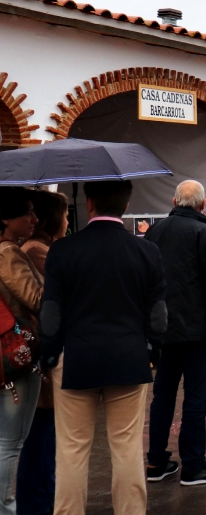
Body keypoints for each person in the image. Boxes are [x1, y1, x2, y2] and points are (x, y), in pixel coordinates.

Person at [39, 180, 166, 513]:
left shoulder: (63, 250)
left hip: (76, 357)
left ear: (90, 203)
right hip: (129, 358)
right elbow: (157, 314)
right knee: (126, 447)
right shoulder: (146, 251)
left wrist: (49, 355)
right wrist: (154, 350)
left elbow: (51, 311)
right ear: (126, 205)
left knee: (71, 449)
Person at [143, 180, 206, 485]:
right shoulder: (204, 233)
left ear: (174, 201)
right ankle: (193, 465)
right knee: (195, 398)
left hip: (164, 329)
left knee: (163, 395)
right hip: (198, 331)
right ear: (203, 204)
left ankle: (156, 461)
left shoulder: (154, 232)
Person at [16, 190, 67, 515]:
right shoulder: (36, 251)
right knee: (40, 442)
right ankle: (38, 505)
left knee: (42, 440)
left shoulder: (41, 249)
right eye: (63, 215)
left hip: (42, 355)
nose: (67, 221)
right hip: (40, 357)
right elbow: (46, 301)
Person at [0, 188, 42, 515]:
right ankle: (6, 507)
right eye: (27, 212)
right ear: (5, 218)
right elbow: (36, 300)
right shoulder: (8, 254)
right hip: (16, 353)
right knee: (11, 442)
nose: (34, 219)